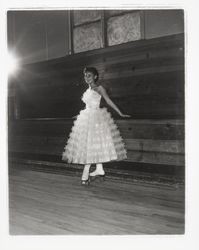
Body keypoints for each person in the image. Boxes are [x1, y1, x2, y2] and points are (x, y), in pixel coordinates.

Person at [62, 67, 130, 185]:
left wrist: (120, 113)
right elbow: (87, 106)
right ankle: (99, 169)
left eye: (89, 75)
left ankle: (85, 174)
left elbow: (108, 101)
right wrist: (78, 115)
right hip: (87, 118)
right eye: (85, 76)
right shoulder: (87, 90)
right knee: (90, 146)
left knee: (91, 146)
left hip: (97, 119)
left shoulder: (99, 88)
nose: (86, 78)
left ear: (95, 77)